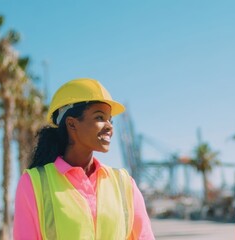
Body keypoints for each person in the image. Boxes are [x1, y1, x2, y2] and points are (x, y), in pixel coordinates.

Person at [13, 78, 155, 240]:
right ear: (72, 124)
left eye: (110, 120)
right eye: (100, 117)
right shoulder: (33, 183)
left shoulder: (124, 184)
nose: (109, 126)